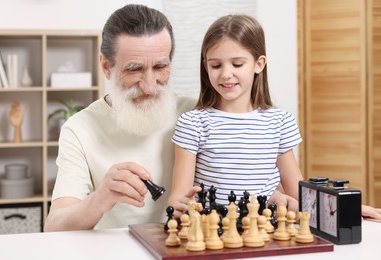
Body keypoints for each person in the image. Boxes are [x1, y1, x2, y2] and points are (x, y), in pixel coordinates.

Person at [44, 4, 196, 231]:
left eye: (160, 67)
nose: (149, 86)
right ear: (106, 66)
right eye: (134, 69)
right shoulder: (79, 129)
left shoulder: (195, 113)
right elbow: (54, 227)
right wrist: (100, 198)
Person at [167, 14, 303, 219]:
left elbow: (299, 196)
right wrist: (180, 206)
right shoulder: (193, 123)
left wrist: (345, 209)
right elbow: (177, 197)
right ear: (206, 66)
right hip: (213, 235)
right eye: (215, 65)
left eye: (237, 64)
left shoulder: (280, 122)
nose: (225, 74)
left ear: (259, 64)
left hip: (262, 233)